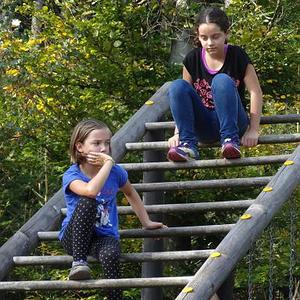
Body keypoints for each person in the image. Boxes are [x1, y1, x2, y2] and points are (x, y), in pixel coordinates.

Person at [59, 119, 165, 300]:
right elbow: (90, 191)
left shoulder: (116, 173)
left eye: (107, 143)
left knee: (111, 254)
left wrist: (146, 222)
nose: (103, 149)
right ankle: (78, 263)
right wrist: (108, 164)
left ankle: (115, 297)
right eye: (97, 143)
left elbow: (131, 194)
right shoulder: (73, 174)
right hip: (74, 237)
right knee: (87, 202)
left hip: (102, 236)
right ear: (80, 147)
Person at [167, 6, 263, 162]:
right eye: (204, 38)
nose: (209, 43)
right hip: (205, 125)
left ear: (226, 33)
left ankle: (230, 141)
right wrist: (178, 132)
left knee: (221, 80)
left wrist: (253, 130)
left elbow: (255, 92)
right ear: (198, 37)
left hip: (233, 122)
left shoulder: (237, 55)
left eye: (215, 37)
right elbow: (183, 99)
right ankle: (187, 144)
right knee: (177, 86)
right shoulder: (192, 59)